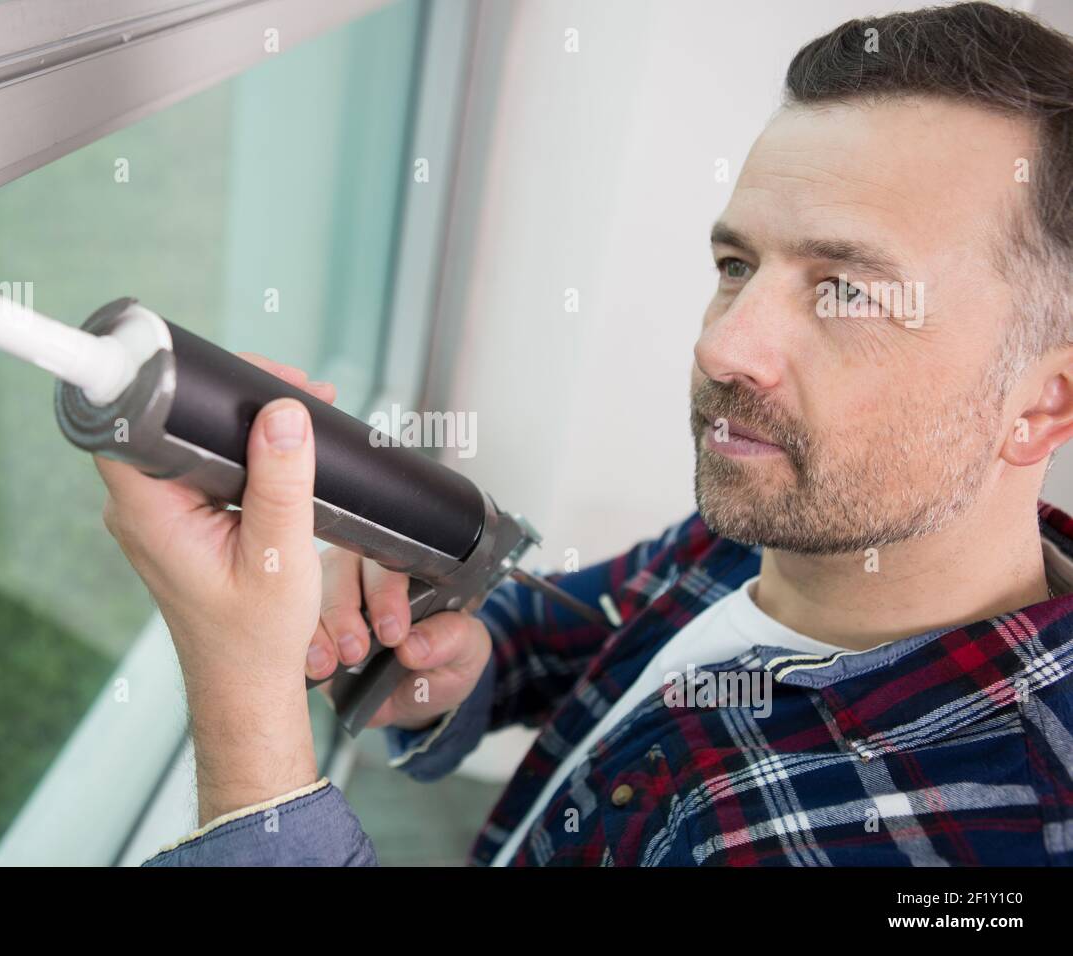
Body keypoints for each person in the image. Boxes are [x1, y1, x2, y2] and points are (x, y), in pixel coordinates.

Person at [99, 2, 1073, 866]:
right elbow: (574, 631)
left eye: (848, 289)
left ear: (1044, 403)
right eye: (737, 264)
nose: (725, 346)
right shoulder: (772, 522)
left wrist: (241, 696)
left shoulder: (955, 837)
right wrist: (441, 667)